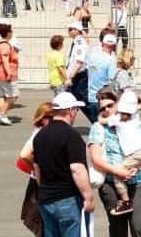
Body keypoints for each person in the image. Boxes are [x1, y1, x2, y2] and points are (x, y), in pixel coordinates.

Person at [89, 91, 141, 236]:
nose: (106, 110)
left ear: (118, 104)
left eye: (110, 105)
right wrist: (119, 172)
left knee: (139, 226)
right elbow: (96, 159)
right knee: (118, 229)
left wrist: (135, 166)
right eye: (102, 108)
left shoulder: (133, 120)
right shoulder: (98, 128)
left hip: (138, 181)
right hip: (111, 184)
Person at [33, 92, 95, 237]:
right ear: (70, 111)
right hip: (68, 199)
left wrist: (44, 188)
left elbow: (37, 168)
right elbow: (77, 169)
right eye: (76, 110)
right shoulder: (71, 136)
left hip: (46, 199)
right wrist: (88, 197)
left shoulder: (40, 135)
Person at [99, 90, 141, 214]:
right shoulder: (135, 115)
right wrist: (138, 99)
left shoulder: (116, 119)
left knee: (118, 174)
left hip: (134, 152)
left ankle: (126, 202)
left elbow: (101, 121)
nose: (106, 109)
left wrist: (101, 115)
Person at [18, 102, 54, 237]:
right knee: (43, 223)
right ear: (42, 118)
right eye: (50, 117)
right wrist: (38, 165)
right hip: (40, 182)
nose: (53, 120)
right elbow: (25, 155)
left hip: (39, 181)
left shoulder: (41, 131)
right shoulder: (40, 133)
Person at [85, 34, 119, 123]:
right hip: (104, 98)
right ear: (114, 46)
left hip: (91, 96)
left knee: (95, 124)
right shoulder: (111, 60)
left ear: (102, 43)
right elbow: (112, 80)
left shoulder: (92, 56)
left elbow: (87, 69)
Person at [0, 21, 20, 126]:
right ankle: (2, 114)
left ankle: (2, 114)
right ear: (8, 33)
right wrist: (9, 72)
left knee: (1, 95)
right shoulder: (5, 45)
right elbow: (5, 60)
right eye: (11, 31)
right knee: (13, 96)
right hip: (7, 73)